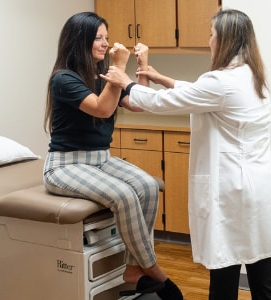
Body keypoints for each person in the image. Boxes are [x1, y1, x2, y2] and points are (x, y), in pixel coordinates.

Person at [101, 9, 271, 300]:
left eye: (212, 35)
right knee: (263, 275)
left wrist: (127, 83)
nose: (209, 41)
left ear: (224, 40)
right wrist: (160, 77)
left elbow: (167, 103)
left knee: (224, 274)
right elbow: (201, 94)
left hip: (232, 190)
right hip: (257, 187)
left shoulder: (221, 81)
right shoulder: (251, 75)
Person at [42, 11, 182, 299]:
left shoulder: (105, 75)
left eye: (106, 37)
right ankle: (153, 268)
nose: (105, 43)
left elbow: (137, 104)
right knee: (124, 195)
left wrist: (140, 69)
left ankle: (132, 269)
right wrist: (119, 69)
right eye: (98, 38)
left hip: (100, 160)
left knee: (148, 186)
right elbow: (102, 108)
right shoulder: (64, 79)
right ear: (79, 41)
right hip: (65, 165)